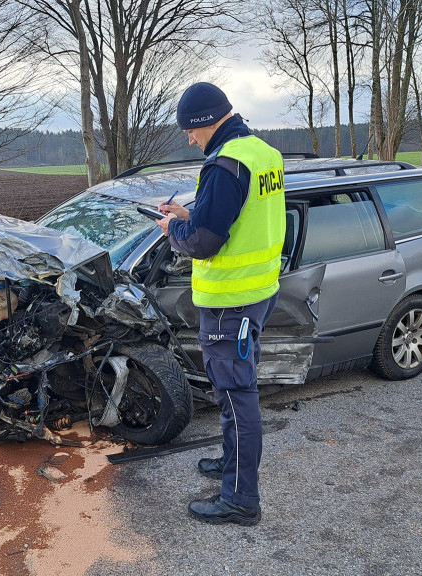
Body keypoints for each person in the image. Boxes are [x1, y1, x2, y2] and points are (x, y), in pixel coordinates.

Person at [153, 82, 285, 526]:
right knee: (234, 392)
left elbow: (206, 243)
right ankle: (231, 464)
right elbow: (237, 216)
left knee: (235, 396)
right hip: (257, 294)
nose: (189, 139)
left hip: (231, 302)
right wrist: (189, 215)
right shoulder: (261, 154)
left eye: (191, 131)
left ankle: (241, 498)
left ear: (206, 122)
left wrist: (171, 232)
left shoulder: (224, 164)